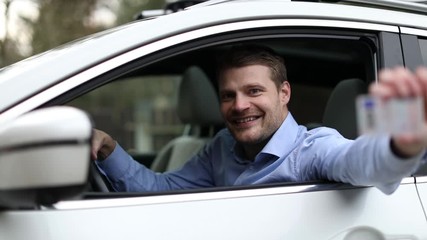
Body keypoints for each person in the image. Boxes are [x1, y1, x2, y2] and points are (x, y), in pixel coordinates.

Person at [92, 44, 427, 194]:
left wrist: (400, 143)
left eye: (254, 91)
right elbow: (160, 190)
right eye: (228, 95)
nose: (239, 106)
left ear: (284, 93)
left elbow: (361, 162)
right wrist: (107, 147)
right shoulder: (222, 147)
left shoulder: (311, 149)